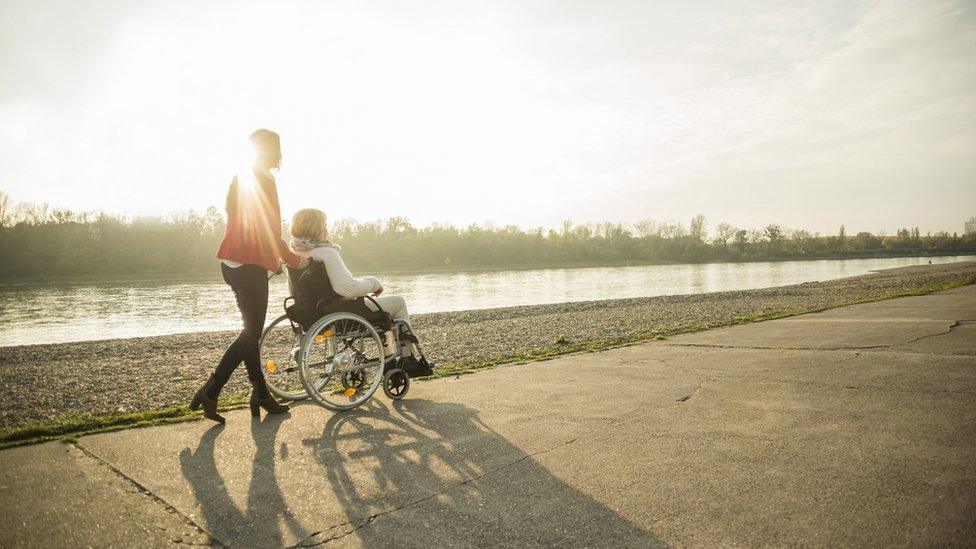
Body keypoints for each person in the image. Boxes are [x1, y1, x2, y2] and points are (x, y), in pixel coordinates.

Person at [191, 129, 308, 423]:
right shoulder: (265, 180)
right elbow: (270, 228)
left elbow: (245, 224)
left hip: (231, 263)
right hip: (249, 265)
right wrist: (293, 259)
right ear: (275, 152)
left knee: (250, 333)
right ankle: (212, 389)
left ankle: (258, 392)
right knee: (251, 333)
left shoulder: (239, 178)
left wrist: (272, 258)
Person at [288, 208, 432, 376]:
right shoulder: (326, 253)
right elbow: (347, 289)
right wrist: (373, 283)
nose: (327, 228)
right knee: (398, 303)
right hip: (339, 311)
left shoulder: (295, 254)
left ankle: (390, 359)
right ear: (317, 228)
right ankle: (408, 359)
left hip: (313, 314)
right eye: (324, 224)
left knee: (381, 310)